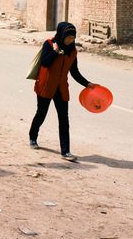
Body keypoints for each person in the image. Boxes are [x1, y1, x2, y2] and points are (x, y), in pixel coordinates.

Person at [28, 21, 94, 162]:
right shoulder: (49, 44)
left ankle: (66, 151)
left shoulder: (72, 51)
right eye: (68, 37)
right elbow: (45, 62)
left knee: (64, 120)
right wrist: (55, 52)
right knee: (41, 114)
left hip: (61, 88)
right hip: (46, 86)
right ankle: (33, 137)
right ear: (61, 35)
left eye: (73, 38)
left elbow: (74, 71)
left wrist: (87, 84)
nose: (70, 40)